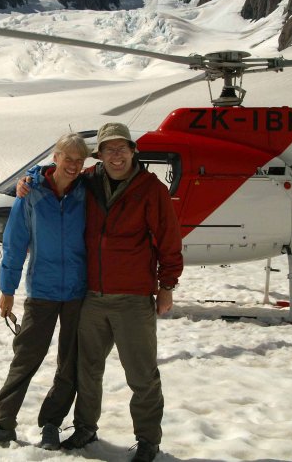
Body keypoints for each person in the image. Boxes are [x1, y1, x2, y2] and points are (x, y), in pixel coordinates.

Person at [20, 122, 183, 462]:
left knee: (141, 375)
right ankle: (85, 428)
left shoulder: (151, 189)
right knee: (86, 370)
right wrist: (29, 179)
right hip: (92, 296)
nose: (116, 155)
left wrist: (166, 286)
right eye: (109, 149)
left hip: (133, 298)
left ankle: (148, 441)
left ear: (133, 151)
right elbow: (57, 173)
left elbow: (169, 241)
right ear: (101, 154)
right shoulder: (89, 181)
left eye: (122, 148)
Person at [0, 133, 89, 451]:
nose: (74, 165)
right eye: (69, 158)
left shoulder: (87, 192)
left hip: (78, 291)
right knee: (26, 359)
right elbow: (15, 243)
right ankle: (1, 424)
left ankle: (51, 423)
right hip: (42, 291)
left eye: (80, 160)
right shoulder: (31, 193)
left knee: (70, 363)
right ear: (56, 157)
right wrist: (6, 289)